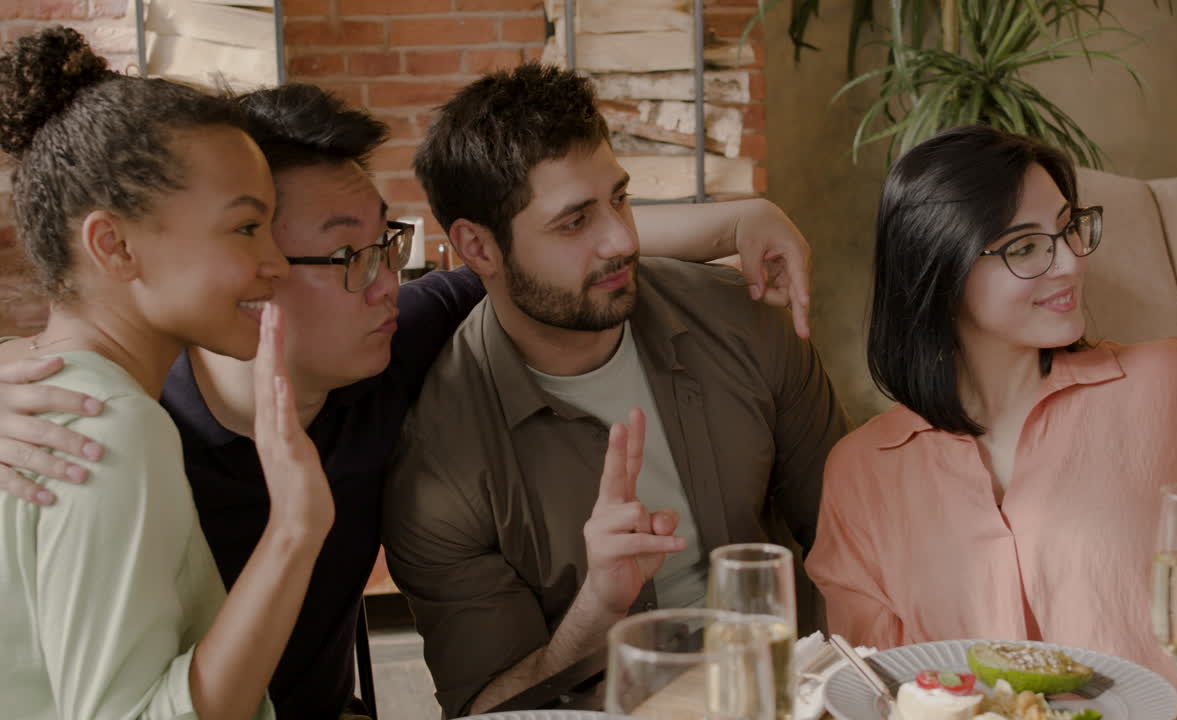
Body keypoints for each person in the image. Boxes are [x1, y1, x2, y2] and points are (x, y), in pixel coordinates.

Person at [0, 82, 820, 719]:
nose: (388, 282)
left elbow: (519, 256)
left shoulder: (387, 352)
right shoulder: (86, 432)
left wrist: (739, 220)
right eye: (344, 256)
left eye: (387, 245)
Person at [383, 62, 850, 718]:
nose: (620, 238)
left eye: (620, 199)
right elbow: (489, 709)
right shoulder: (441, 466)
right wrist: (601, 605)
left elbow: (854, 543)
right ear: (478, 249)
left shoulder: (742, 324)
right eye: (574, 222)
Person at [805, 124, 1177, 714]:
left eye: (1068, 228)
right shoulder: (862, 473)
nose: (1071, 264)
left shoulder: (1167, 385)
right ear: (938, 270)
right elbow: (870, 693)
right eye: (1025, 247)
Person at [0, 27, 332, 719]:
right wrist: (295, 531)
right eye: (246, 228)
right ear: (113, 244)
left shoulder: (37, 400)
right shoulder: (111, 428)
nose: (276, 262)